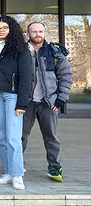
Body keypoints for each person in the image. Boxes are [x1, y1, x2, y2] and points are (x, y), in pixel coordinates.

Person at [0, 16, 32, 190]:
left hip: (13, 97)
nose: (0, 30)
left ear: (12, 30)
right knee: (1, 137)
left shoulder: (21, 49)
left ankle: (18, 175)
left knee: (13, 138)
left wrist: (22, 103)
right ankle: (8, 172)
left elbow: (26, 77)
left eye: (4, 27)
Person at [21, 22, 72, 182]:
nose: (37, 34)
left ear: (44, 32)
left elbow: (65, 76)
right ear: (28, 34)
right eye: (34, 31)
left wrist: (62, 97)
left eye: (40, 31)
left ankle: (55, 167)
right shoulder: (20, 51)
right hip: (26, 102)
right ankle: (17, 165)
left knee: (51, 137)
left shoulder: (55, 53)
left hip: (48, 102)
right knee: (20, 136)